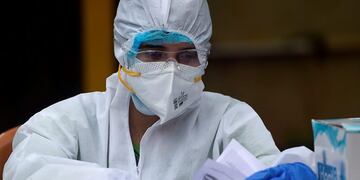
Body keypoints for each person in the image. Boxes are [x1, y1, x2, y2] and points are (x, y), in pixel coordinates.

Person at [3, 0, 315, 179]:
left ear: (203, 57)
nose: (170, 69)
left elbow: (274, 168)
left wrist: (298, 168)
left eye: (185, 55)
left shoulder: (229, 119)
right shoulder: (75, 118)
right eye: (153, 53)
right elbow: (26, 168)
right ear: (124, 53)